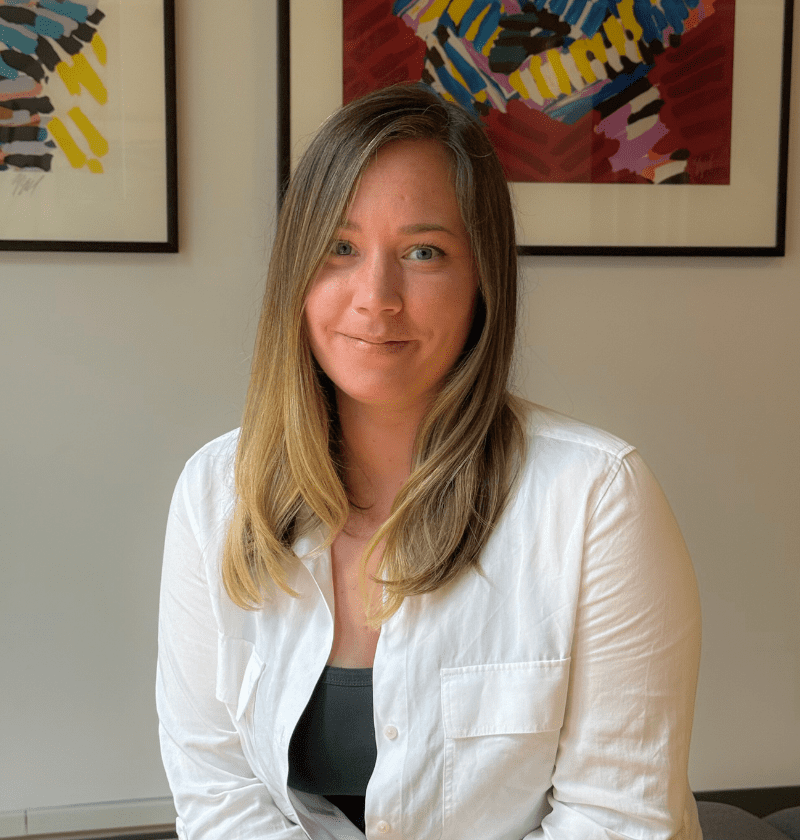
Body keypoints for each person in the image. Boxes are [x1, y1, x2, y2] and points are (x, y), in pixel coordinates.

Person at [156, 83, 702, 840]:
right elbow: (217, 791)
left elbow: (621, 820)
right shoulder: (216, 492)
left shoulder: (597, 496)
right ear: (295, 273)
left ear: (482, 279)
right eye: (340, 249)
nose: (376, 297)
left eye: (423, 252)